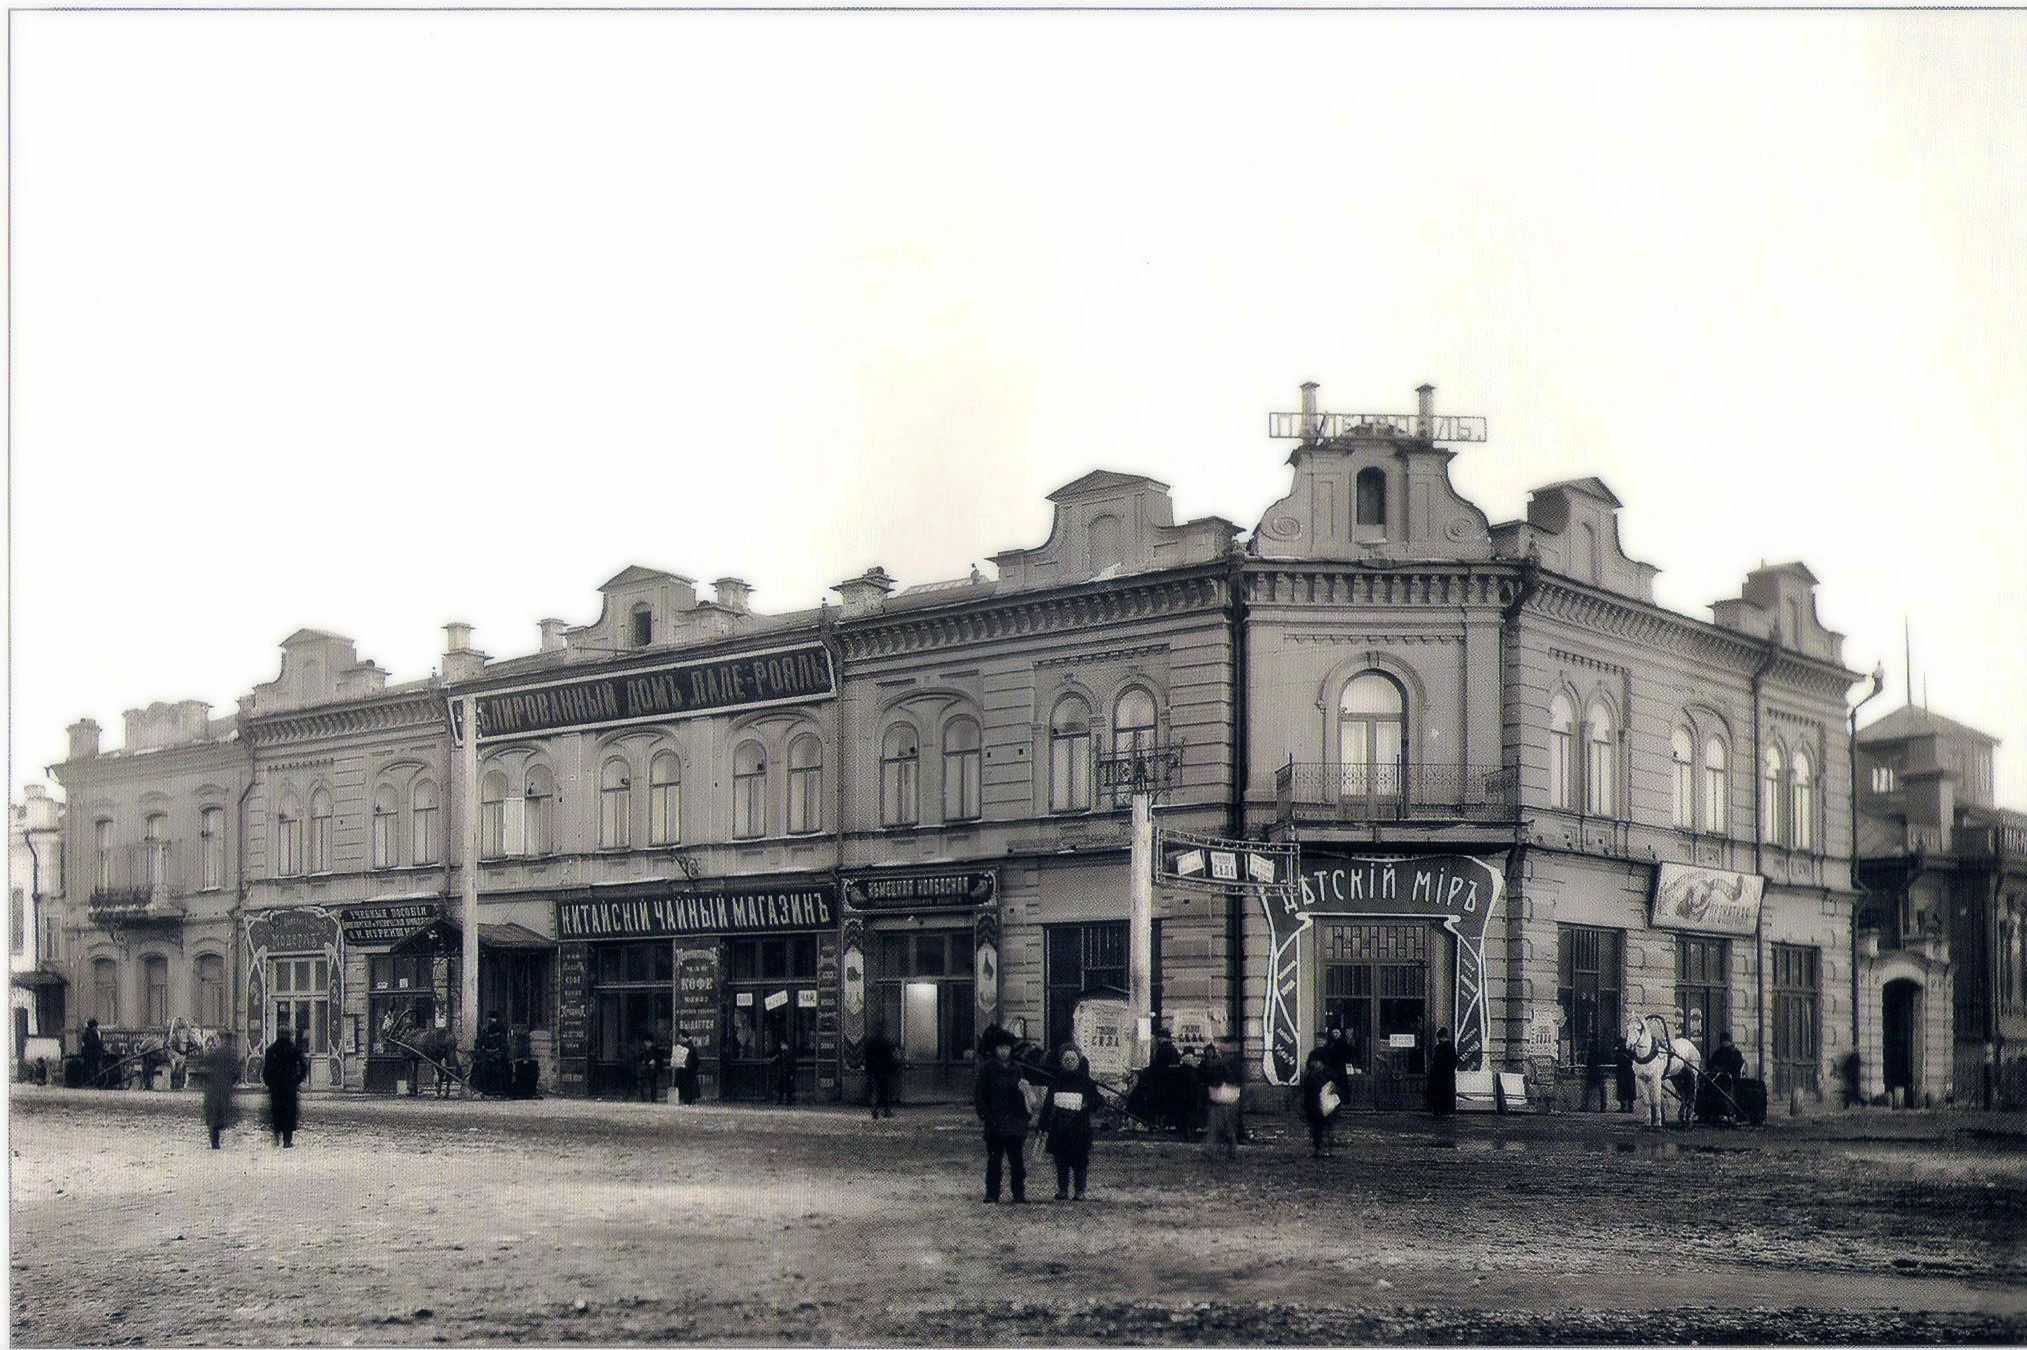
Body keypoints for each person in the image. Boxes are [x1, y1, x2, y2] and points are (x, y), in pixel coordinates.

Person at [973, 1028, 1031, 1202]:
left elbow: (1024, 1094)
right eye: (1000, 1048)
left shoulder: (1017, 1069)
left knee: (1017, 1162)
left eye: (1007, 1047)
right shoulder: (987, 1069)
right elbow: (980, 1095)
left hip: (1015, 1123)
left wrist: (1024, 1116)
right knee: (994, 1161)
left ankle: (1019, 1193)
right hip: (995, 1122)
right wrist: (985, 1115)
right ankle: (992, 1194)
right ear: (994, 1049)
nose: (1004, 1051)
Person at [1039, 1044, 1099, 1200]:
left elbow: (1099, 1101)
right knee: (1061, 1161)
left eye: (1073, 1059)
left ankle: (1080, 1190)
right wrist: (1042, 1125)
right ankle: (1062, 1190)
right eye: (1066, 1059)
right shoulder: (1056, 1082)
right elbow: (1047, 1105)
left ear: (1078, 1061)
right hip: (1060, 1128)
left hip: (1079, 1128)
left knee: (1080, 1161)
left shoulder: (1086, 1082)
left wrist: (1087, 1105)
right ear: (1061, 1061)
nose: (1070, 1062)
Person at [262, 1024, 310, 1148]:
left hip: (276, 1087)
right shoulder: (293, 1049)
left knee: (277, 1112)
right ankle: (287, 1139)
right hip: (289, 1086)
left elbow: (266, 1070)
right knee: (288, 1113)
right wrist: (297, 1080)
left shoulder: (271, 1050)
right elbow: (303, 1067)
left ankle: (277, 1135)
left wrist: (269, 1082)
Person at [1199, 1042, 1241, 1161]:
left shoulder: (1220, 1063)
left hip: (1219, 1096)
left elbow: (1211, 1075)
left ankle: (1211, 1151)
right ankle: (1229, 1150)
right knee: (1226, 1126)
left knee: (1215, 1126)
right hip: (1228, 1096)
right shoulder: (1230, 1062)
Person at [199, 1032, 240, 1148]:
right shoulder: (232, 1054)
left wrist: (207, 1080)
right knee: (222, 1113)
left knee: (213, 1115)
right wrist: (230, 1083)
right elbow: (237, 1072)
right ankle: (217, 1135)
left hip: (212, 1088)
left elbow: (202, 1065)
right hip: (225, 1088)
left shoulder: (214, 1053)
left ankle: (214, 1141)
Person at [1300, 1049, 1338, 1158]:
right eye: (1313, 1061)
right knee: (1317, 1129)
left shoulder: (1326, 1074)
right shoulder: (1311, 1074)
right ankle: (1318, 1149)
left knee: (1325, 1129)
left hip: (1325, 1106)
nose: (1314, 1063)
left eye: (1316, 1061)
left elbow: (1333, 1089)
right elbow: (1306, 1091)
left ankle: (1325, 1149)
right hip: (1314, 1106)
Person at [863, 1024, 899, 1120]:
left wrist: (867, 1069)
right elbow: (892, 1056)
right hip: (884, 1070)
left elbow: (866, 1057)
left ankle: (874, 1109)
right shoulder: (887, 1042)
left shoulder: (870, 1042)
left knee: (874, 1090)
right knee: (885, 1091)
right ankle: (886, 1111)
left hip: (873, 1070)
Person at [1426, 1027, 1458, 1118]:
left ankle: (1440, 1110)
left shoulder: (1441, 1047)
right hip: (1447, 1075)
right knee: (1447, 1093)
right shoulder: (1450, 1047)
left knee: (1439, 1093)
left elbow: (1437, 1061)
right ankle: (1446, 1110)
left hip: (1440, 1075)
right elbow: (1454, 1061)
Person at [509, 1025, 537, 1099]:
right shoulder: (524, 1040)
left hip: (521, 1059)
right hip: (521, 1059)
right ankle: (524, 1091)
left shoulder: (521, 1040)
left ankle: (522, 1091)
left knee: (521, 1074)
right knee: (522, 1074)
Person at [1583, 1037, 1610, 1113]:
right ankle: (1603, 1107)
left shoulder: (1591, 1055)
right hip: (1600, 1073)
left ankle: (1586, 1106)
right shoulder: (1602, 1053)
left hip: (1592, 1073)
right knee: (1602, 1091)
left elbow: (1588, 1064)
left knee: (1588, 1090)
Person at [635, 1032, 664, 1103]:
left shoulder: (655, 1049)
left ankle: (653, 1099)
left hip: (653, 1070)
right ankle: (645, 1098)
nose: (646, 1044)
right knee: (644, 1084)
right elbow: (638, 1058)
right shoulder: (643, 1050)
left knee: (653, 1085)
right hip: (645, 1069)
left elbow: (659, 1059)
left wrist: (654, 1061)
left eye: (647, 1042)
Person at [670, 1032, 698, 1105]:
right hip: (687, 1070)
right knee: (687, 1086)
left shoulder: (688, 1047)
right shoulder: (688, 1046)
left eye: (681, 1037)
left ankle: (687, 1101)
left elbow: (692, 1060)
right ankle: (688, 1100)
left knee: (687, 1086)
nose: (680, 1039)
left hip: (687, 1070)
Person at [770, 1036, 796, 1106]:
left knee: (788, 1088)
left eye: (782, 1045)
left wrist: (792, 1074)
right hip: (782, 1072)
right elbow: (778, 1059)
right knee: (781, 1087)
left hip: (787, 1072)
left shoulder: (789, 1053)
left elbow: (792, 1064)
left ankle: (788, 1101)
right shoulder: (782, 1053)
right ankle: (781, 1100)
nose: (781, 1046)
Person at [81, 1018, 106, 1090]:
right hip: (92, 1054)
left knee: (88, 1067)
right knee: (94, 1068)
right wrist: (101, 1050)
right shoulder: (93, 1033)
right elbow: (96, 1044)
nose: (96, 1028)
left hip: (87, 1053)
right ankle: (94, 1081)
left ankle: (88, 1081)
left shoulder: (86, 1033)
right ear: (93, 1026)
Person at [1615, 1037, 1637, 1114]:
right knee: (1630, 1088)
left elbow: (1616, 1058)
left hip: (1622, 1071)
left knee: (1622, 1089)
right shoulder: (1632, 1048)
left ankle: (1623, 1106)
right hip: (1630, 1071)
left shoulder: (1619, 1048)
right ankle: (1630, 1106)